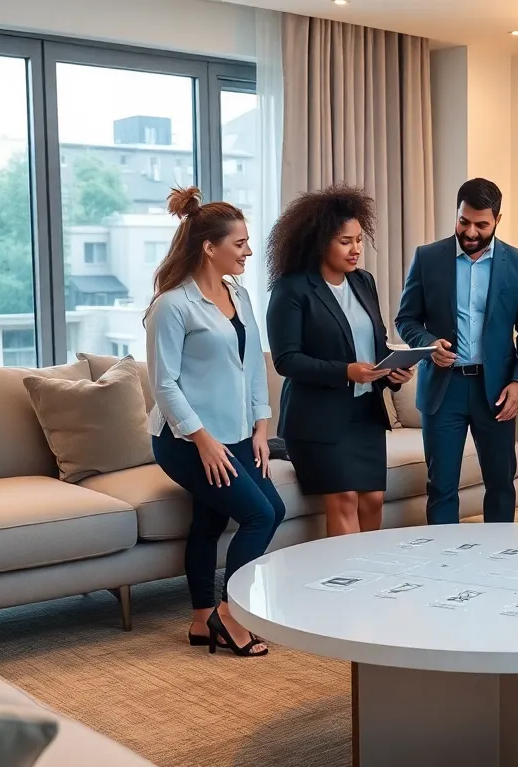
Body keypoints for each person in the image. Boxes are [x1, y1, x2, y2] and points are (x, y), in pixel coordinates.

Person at [146, 186, 285, 658]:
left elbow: (251, 366)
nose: (248, 251)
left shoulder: (239, 295)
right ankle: (230, 614)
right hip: (186, 440)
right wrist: (202, 441)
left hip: (238, 432)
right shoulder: (172, 306)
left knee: (212, 519)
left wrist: (262, 428)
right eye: (240, 243)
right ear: (210, 247)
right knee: (261, 513)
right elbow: (164, 385)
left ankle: (201, 620)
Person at [265, 185, 412, 537]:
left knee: (374, 499)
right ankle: (346, 584)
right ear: (320, 242)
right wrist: (347, 372)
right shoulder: (291, 289)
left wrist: (392, 372)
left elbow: (373, 345)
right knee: (345, 498)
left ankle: (366, 573)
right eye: (346, 241)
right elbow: (287, 360)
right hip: (318, 420)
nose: (356, 249)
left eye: (359, 240)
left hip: (365, 416)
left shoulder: (364, 282)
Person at [396, 178, 518, 525]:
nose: (471, 231)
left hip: (495, 392)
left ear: (497, 220)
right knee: (442, 486)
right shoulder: (428, 257)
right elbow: (406, 318)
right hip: (442, 390)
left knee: (501, 485)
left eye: (481, 224)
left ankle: (496, 565)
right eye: (464, 222)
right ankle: (444, 569)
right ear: (457, 214)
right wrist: (428, 344)